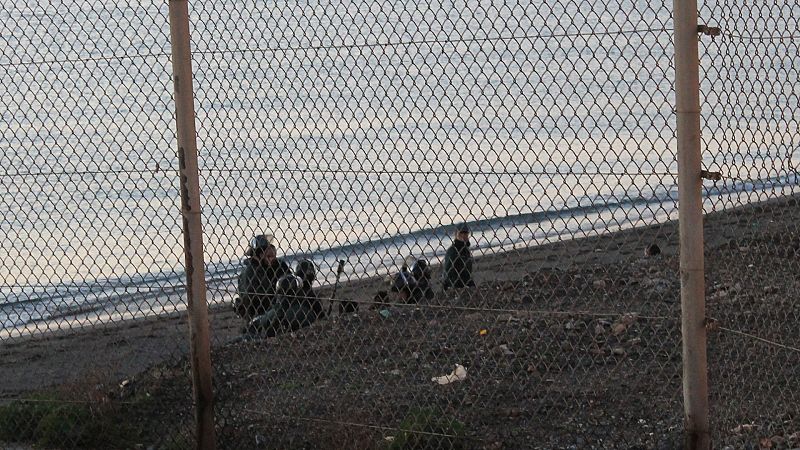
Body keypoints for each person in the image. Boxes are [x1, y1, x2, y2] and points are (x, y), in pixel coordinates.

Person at [246, 260, 324, 336]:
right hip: (290, 317)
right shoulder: (306, 291)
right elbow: (320, 313)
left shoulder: (290, 282)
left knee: (266, 318)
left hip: (276, 313)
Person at [233, 235, 291, 321]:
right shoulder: (249, 272)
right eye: (268, 256)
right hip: (261, 312)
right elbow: (249, 300)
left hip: (282, 304)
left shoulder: (278, 265)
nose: (272, 259)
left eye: (272, 255)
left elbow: (290, 280)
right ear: (258, 255)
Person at [442, 223, 475, 291]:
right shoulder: (452, 250)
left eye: (465, 233)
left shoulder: (465, 250)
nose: (463, 235)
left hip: (465, 282)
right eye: (461, 233)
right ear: (456, 234)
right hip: (453, 285)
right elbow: (448, 271)